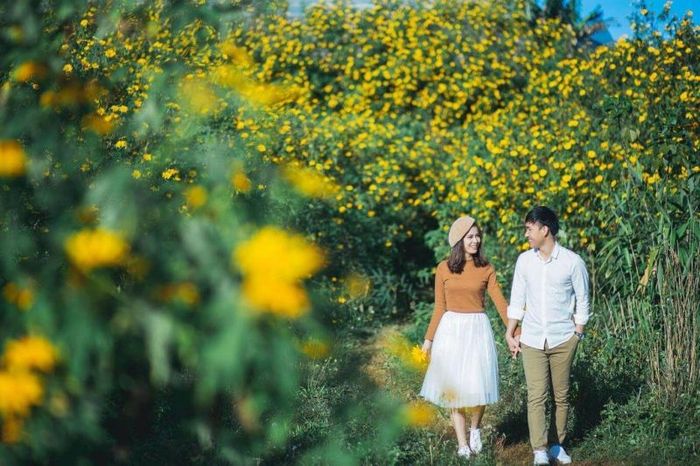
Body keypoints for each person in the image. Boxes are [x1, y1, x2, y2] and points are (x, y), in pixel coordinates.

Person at [420, 215, 518, 458]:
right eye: (470, 237)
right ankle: (462, 444)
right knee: (454, 388)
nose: (475, 241)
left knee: (479, 382)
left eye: (477, 236)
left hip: (477, 329)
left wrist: (516, 332)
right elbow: (439, 307)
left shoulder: (486, 268)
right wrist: (428, 340)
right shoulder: (443, 268)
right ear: (459, 240)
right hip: (451, 330)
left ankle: (475, 429)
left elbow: (501, 303)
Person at [505, 206, 590, 465]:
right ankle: (539, 450)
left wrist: (578, 334)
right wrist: (510, 332)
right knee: (536, 396)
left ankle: (556, 445)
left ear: (545, 230)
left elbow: (583, 300)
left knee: (561, 396)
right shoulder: (524, 261)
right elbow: (517, 299)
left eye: (529, 229)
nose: (526, 234)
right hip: (531, 339)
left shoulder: (572, 262)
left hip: (563, 338)